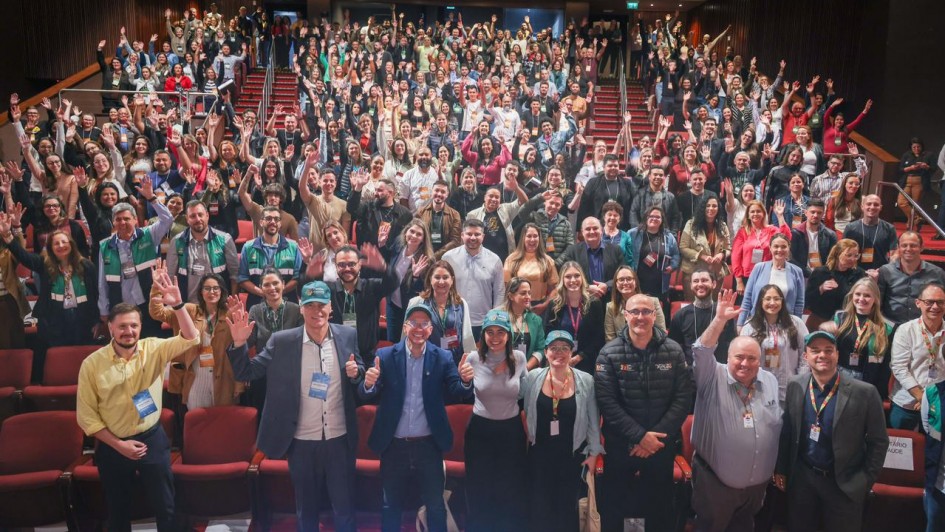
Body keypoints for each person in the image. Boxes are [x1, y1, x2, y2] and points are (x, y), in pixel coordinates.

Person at [226, 280, 364, 532]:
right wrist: (238, 344)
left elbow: (359, 370)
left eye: (321, 305)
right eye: (310, 305)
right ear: (301, 307)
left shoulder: (347, 335)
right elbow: (248, 370)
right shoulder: (282, 341)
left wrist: (357, 373)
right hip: (301, 441)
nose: (316, 311)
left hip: (339, 439)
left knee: (344, 509)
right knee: (306, 510)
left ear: (330, 307)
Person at [76, 268, 199, 532]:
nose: (128, 332)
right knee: (118, 511)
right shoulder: (91, 364)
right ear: (110, 327)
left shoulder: (153, 347)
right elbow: (87, 417)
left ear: (141, 327)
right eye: (121, 326)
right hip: (112, 444)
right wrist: (119, 446)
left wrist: (177, 305)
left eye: (133, 326)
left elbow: (191, 337)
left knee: (166, 506)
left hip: (151, 438)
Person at [358, 303, 475, 532]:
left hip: (428, 445)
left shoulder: (442, 357)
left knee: (435, 505)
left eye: (424, 324)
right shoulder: (385, 356)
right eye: (414, 323)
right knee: (390, 504)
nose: (419, 328)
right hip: (394, 445)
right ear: (404, 327)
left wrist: (465, 381)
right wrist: (369, 383)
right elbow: (366, 393)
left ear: (431, 329)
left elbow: (456, 391)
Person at [595, 293, 694, 532]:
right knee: (620, 506)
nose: (641, 317)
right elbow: (607, 403)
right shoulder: (608, 353)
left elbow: (682, 399)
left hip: (660, 447)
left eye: (646, 312)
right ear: (625, 315)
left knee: (658, 508)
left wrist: (654, 437)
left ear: (655, 314)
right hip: (622, 448)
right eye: (635, 312)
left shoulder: (674, 351)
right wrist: (640, 437)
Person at [773, 330, 889, 532]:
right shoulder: (795, 385)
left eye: (828, 350)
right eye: (815, 351)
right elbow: (788, 430)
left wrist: (864, 481)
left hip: (843, 484)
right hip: (803, 480)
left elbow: (879, 441)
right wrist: (782, 468)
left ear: (837, 354)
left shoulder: (865, 392)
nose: (822, 356)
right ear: (805, 356)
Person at [689, 290, 783, 532]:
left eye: (752, 358)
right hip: (715, 485)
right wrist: (720, 320)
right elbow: (701, 350)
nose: (745, 363)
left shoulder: (769, 380)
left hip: (755, 489)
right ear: (727, 357)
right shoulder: (712, 376)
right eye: (739, 357)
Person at [522, 330, 602, 532]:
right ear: (546, 352)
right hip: (539, 454)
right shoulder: (532, 377)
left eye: (565, 348)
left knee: (566, 508)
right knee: (539, 506)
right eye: (554, 348)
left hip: (572, 455)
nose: (559, 353)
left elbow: (594, 420)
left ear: (571, 352)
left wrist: (593, 453)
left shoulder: (586, 380)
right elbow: (508, 394)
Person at [464, 309, 528, 532]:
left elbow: (526, 393)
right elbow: (460, 389)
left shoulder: (519, 358)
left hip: (510, 432)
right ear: (483, 336)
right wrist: (462, 380)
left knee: (508, 487)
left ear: (508, 335)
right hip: (480, 431)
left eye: (500, 332)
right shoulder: (473, 358)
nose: (495, 337)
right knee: (480, 487)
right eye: (489, 332)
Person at [97, 179, 174, 337]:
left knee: (152, 345)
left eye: (126, 219)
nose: (122, 222)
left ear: (135, 220)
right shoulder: (105, 245)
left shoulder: (148, 234)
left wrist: (151, 198)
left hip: (148, 302)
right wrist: (104, 309)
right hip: (121, 305)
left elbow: (168, 219)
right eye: (118, 219)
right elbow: (102, 282)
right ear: (113, 222)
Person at [1, 224, 98, 347]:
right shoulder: (44, 264)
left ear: (71, 244)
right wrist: (8, 236)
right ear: (50, 248)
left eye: (64, 242)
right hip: (54, 323)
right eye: (56, 243)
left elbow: (95, 295)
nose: (61, 246)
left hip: (83, 321)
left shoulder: (87, 266)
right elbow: (23, 256)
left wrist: (97, 321)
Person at [305, 243, 396, 367]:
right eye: (342, 265)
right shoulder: (327, 289)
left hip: (367, 357)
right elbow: (307, 292)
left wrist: (384, 267)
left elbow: (393, 283)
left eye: (351, 264)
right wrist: (309, 276)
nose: (347, 268)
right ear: (336, 267)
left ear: (360, 264)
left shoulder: (371, 287)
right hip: (335, 354)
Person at [244, 268, 304, 413]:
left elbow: (301, 343)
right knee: (263, 415)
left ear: (283, 284)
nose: (272, 288)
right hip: (263, 370)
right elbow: (250, 342)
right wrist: (240, 336)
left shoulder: (296, 310)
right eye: (266, 285)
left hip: (290, 371)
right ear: (261, 288)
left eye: (275, 283)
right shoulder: (255, 310)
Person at [740, 284, 809, 403]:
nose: (772, 303)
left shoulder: (796, 323)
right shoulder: (750, 326)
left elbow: (805, 353)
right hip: (759, 389)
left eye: (777, 299)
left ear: (782, 301)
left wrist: (801, 380)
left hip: (790, 387)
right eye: (767, 299)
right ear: (760, 302)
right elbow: (742, 356)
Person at [890, 282, 945, 430]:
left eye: (940, 302)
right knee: (902, 450)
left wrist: (933, 401)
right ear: (918, 303)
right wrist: (923, 398)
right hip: (906, 403)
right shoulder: (905, 330)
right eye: (929, 302)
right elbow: (899, 367)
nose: (935, 306)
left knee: (934, 451)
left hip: (940, 404)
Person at [830, 278, 893, 399]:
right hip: (839, 375)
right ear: (852, 295)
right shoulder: (839, 318)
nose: (861, 299)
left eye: (867, 295)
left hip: (867, 381)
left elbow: (886, 366)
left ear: (875, 299)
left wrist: (879, 393)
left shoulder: (886, 327)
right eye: (858, 294)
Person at [443, 219, 506, 340]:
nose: (473, 237)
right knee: (450, 354)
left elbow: (499, 292)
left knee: (480, 357)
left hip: (483, 323)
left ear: (483, 236)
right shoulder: (448, 258)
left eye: (477, 234)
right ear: (462, 235)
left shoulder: (495, 260)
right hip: (452, 320)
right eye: (469, 234)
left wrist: (494, 319)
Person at [166, 200, 239, 302]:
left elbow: (235, 276)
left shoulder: (224, 239)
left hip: (217, 305)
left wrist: (231, 302)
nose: (198, 219)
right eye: (192, 216)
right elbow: (170, 276)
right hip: (189, 306)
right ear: (187, 219)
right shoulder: (177, 242)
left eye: (200, 215)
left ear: (207, 216)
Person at [407, 260, 476, 365]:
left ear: (452, 280)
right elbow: (406, 335)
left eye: (445, 277)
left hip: (454, 362)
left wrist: (470, 363)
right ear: (430, 279)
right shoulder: (417, 302)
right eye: (437, 277)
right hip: (425, 361)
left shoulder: (460, 303)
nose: (441, 282)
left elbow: (467, 337)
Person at [543, 262, 605, 375]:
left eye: (577, 275)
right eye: (568, 276)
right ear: (562, 280)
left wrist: (579, 357)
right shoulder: (554, 305)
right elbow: (548, 334)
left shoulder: (594, 304)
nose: (573, 280)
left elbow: (599, 337)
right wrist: (562, 356)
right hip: (559, 359)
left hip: (587, 361)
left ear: (582, 278)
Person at [237, 206, 302, 308]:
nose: (273, 222)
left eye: (276, 219)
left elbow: (297, 277)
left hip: (288, 304)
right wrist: (262, 292)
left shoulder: (293, 247)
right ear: (261, 222)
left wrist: (278, 292)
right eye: (268, 219)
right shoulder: (248, 247)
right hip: (257, 303)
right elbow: (242, 278)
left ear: (280, 224)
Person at [669, 267, 736, 365]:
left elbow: (732, 343)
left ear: (713, 284)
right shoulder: (681, 315)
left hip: (719, 370)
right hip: (691, 372)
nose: (700, 284)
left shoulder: (723, 313)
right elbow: (673, 346)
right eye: (696, 281)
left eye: (704, 280)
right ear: (691, 286)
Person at [878, 231, 945, 325]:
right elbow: (878, 302)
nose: (908, 249)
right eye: (904, 245)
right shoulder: (885, 271)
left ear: (922, 247)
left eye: (913, 245)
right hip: (891, 327)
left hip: (924, 327)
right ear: (898, 248)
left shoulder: (937, 273)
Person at [739, 233, 805, 327]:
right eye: (776, 246)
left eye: (783, 247)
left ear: (789, 248)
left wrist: (797, 325)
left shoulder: (797, 272)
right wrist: (740, 323)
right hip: (758, 322)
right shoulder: (758, 268)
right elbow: (747, 298)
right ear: (770, 248)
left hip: (785, 324)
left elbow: (799, 303)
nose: (779, 250)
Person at [628, 206, 681, 316]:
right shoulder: (633, 234)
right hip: (638, 282)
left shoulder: (668, 236)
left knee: (657, 314)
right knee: (638, 312)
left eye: (658, 217)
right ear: (646, 218)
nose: (654, 219)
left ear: (662, 220)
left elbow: (676, 254)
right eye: (651, 216)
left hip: (660, 284)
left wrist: (673, 266)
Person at [556, 216, 625, 300]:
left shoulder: (616, 250)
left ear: (602, 230)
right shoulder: (572, 251)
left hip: (611, 299)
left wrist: (607, 285)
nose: (592, 232)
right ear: (582, 232)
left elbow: (623, 274)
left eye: (595, 228)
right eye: (588, 229)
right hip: (582, 300)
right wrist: (586, 287)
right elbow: (566, 277)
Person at [731, 199, 791, 295]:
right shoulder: (743, 232)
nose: (755, 214)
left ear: (763, 213)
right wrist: (739, 281)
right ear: (748, 215)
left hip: (768, 275)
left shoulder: (771, 230)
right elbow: (735, 256)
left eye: (758, 211)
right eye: (752, 211)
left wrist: (780, 216)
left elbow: (786, 237)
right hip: (746, 277)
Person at [347, 173, 412, 260]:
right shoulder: (367, 208)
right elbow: (351, 209)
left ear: (390, 193)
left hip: (391, 260)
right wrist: (358, 187)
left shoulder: (405, 214)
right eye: (375, 190)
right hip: (367, 258)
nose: (375, 193)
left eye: (380, 190)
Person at [466, 169, 527, 262]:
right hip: (480, 259)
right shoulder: (473, 214)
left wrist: (516, 188)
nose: (494, 199)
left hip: (504, 258)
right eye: (491, 196)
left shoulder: (506, 209)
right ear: (485, 197)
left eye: (497, 197)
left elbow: (524, 202)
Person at [679, 195, 731, 298]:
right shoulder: (691, 224)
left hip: (715, 273)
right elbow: (683, 247)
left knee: (712, 307)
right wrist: (701, 256)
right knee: (693, 307)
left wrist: (721, 254)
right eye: (708, 206)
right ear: (703, 207)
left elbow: (728, 248)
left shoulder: (723, 226)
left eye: (714, 206)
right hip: (693, 272)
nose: (711, 208)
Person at [805, 240, 866, 328]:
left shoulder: (859, 273)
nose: (853, 259)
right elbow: (807, 300)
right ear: (838, 254)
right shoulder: (821, 272)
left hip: (846, 322)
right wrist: (821, 289)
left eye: (856, 256)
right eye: (848, 255)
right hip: (820, 321)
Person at [504, 223, 560, 316]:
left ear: (539, 238)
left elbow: (556, 287)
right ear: (523, 238)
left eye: (535, 236)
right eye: (529, 236)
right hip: (517, 307)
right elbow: (506, 287)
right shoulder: (511, 259)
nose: (532, 240)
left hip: (540, 308)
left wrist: (545, 305)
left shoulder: (547, 260)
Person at [605, 265, 666, 342]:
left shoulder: (653, 302)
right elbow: (610, 338)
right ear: (616, 285)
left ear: (636, 282)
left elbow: (661, 332)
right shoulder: (610, 307)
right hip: (621, 351)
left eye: (629, 279)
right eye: (621, 279)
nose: (625, 282)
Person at [500, 277, 548, 370]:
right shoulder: (497, 316)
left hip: (527, 372)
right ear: (510, 296)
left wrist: (525, 368)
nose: (528, 297)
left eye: (529, 293)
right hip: (502, 371)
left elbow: (540, 349)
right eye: (523, 293)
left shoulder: (536, 320)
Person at [515, 189, 575, 264]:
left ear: (561, 206)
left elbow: (570, 246)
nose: (553, 206)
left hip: (557, 266)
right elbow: (522, 212)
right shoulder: (535, 217)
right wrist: (540, 197)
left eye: (557, 204)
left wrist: (556, 263)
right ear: (545, 202)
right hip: (535, 263)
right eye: (551, 203)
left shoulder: (566, 223)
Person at [843, 194, 898, 274]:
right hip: (854, 273)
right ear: (862, 207)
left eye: (876, 205)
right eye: (869, 204)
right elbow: (843, 252)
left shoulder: (889, 228)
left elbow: (894, 254)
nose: (872, 207)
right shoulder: (850, 228)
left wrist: (886, 270)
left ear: (881, 208)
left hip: (880, 273)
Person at [577, 154, 633, 230]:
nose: (613, 168)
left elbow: (632, 207)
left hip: (622, 227)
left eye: (616, 166)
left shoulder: (627, 183)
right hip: (598, 227)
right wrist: (580, 228)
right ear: (604, 167)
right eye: (610, 166)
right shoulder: (593, 183)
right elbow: (584, 207)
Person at [789, 199, 837, 278]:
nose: (815, 215)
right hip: (801, 275)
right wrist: (807, 273)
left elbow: (833, 259)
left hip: (823, 275)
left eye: (819, 213)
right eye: (813, 212)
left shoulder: (830, 235)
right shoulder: (795, 233)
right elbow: (791, 258)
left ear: (823, 214)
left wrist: (823, 273)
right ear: (806, 212)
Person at [416, 180, 462, 260]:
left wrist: (434, 256)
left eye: (443, 192)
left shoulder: (455, 215)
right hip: (423, 256)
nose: (439, 194)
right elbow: (416, 235)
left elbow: (455, 241)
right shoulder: (421, 212)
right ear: (431, 192)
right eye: (436, 190)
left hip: (445, 257)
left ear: (447, 194)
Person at [897, 137, 936, 225]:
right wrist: (911, 168)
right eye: (914, 147)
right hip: (907, 180)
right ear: (911, 147)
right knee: (901, 202)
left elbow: (933, 169)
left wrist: (926, 166)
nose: (916, 149)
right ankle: (916, 218)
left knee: (915, 204)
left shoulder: (928, 155)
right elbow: (900, 169)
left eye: (918, 147)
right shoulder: (907, 155)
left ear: (922, 146)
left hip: (919, 180)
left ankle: (910, 225)